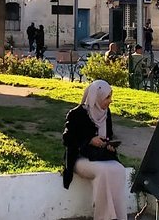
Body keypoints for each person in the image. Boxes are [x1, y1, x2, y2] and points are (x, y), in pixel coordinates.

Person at [62, 80, 127, 220]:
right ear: (96, 97)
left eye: (110, 97)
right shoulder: (77, 114)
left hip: (100, 156)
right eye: (107, 97)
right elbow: (67, 140)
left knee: (119, 169)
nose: (110, 101)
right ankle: (104, 217)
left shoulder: (105, 113)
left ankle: (119, 216)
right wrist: (90, 140)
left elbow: (108, 135)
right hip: (80, 158)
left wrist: (108, 144)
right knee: (103, 172)